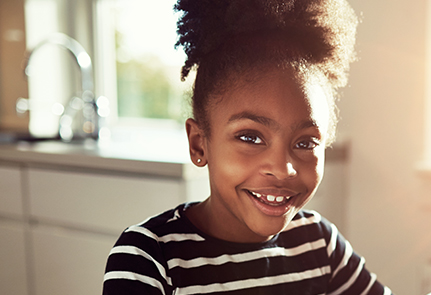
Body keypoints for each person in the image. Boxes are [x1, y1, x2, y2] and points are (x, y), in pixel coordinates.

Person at [102, 0, 393, 294]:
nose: (283, 169)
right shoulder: (149, 258)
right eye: (251, 138)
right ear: (199, 144)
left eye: (304, 142)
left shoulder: (320, 244)